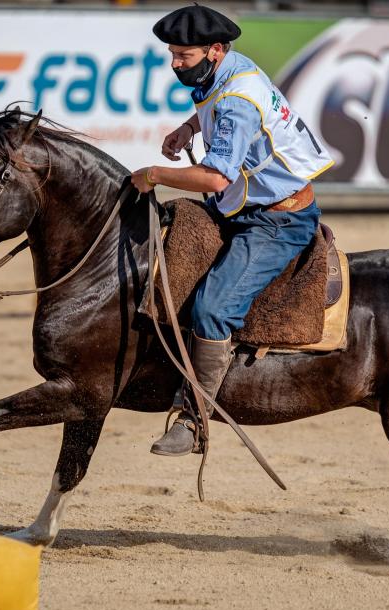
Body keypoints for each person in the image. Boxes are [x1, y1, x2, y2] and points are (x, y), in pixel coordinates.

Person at [131, 4, 334, 456]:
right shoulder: (228, 71)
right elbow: (213, 118)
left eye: (183, 55)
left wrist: (155, 174)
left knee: (212, 308)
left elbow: (216, 178)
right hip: (245, 207)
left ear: (215, 50)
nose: (174, 64)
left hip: (276, 221)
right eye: (172, 54)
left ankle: (195, 418)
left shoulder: (238, 101)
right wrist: (188, 128)